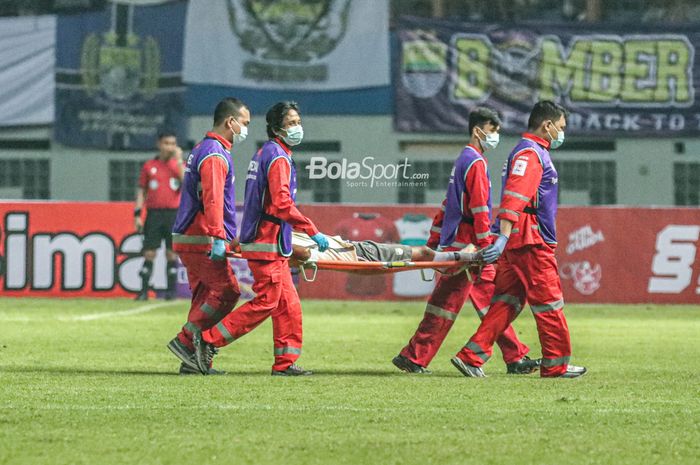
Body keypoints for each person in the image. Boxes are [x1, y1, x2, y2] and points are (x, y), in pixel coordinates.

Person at [392, 107, 538, 375]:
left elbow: (448, 206)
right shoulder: (476, 164)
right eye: (492, 131)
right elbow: (481, 208)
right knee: (495, 302)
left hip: (459, 245)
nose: (495, 136)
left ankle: (414, 356)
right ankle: (513, 357)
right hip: (471, 249)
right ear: (477, 130)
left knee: (448, 304)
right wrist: (486, 246)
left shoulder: (463, 159)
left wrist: (436, 241)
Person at [192, 101, 329, 376]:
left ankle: (285, 363)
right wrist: (311, 229)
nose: (297, 127)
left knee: (289, 306)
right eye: (291, 123)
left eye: (298, 122)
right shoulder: (278, 157)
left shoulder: (267, 153)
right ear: (277, 127)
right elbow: (280, 204)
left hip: (269, 243)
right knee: (267, 302)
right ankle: (207, 341)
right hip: (267, 244)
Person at [451, 100, 587, 378]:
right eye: (560, 127)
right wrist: (502, 237)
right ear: (547, 125)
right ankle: (555, 366)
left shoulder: (531, 152)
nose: (562, 133)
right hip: (530, 241)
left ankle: (471, 357)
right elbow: (514, 197)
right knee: (550, 302)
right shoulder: (530, 154)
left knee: (507, 301)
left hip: (519, 239)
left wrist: (504, 238)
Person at [166, 97, 250, 375]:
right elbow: (213, 198)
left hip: (191, 234)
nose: (245, 130)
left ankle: (196, 362)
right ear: (231, 122)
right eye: (244, 124)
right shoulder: (214, 153)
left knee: (204, 298)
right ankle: (185, 340)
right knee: (228, 291)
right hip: (200, 236)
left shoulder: (204, 148)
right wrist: (217, 236)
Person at [133, 131, 184, 301]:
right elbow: (142, 190)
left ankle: (170, 292)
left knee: (171, 253)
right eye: (167, 143)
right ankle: (144, 291)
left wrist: (178, 161)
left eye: (173, 143)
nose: (170, 147)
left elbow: (186, 182)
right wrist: (138, 213)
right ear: (159, 144)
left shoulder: (179, 165)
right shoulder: (149, 166)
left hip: (173, 214)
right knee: (149, 253)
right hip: (154, 214)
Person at [289, 231, 482, 266]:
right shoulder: (286, 239)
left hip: (357, 251)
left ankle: (458, 259)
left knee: (423, 254)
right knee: (422, 253)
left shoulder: (283, 239)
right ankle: (465, 257)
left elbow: (303, 253)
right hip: (356, 255)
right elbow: (303, 253)